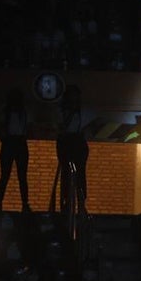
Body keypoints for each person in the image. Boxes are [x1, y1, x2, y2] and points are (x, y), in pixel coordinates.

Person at [55, 85, 88, 218]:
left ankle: (81, 204)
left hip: (77, 141)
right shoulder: (62, 111)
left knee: (80, 175)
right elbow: (62, 127)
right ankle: (66, 203)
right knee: (66, 175)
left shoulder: (81, 111)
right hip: (67, 141)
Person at [0, 88, 30, 213]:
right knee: (6, 175)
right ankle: (0, 202)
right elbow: (0, 129)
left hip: (17, 142)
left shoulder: (22, 113)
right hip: (11, 143)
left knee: (20, 176)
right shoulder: (7, 113)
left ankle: (24, 203)